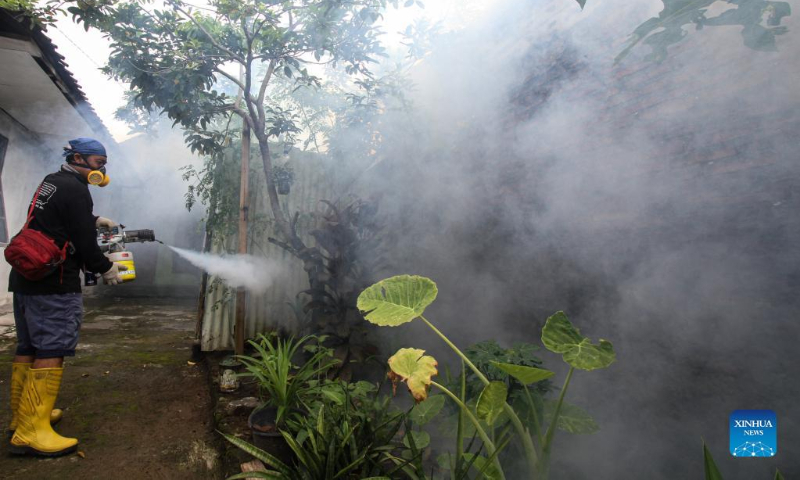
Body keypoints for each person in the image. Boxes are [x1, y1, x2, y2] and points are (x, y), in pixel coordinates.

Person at [6, 137, 127, 457]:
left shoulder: (52, 181)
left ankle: (23, 417)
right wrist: (106, 268)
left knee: (28, 346)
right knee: (53, 347)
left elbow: (58, 219)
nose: (102, 170)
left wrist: (92, 219)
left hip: (25, 279)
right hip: (53, 283)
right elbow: (85, 244)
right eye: (99, 163)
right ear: (79, 158)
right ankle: (32, 432)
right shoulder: (76, 188)